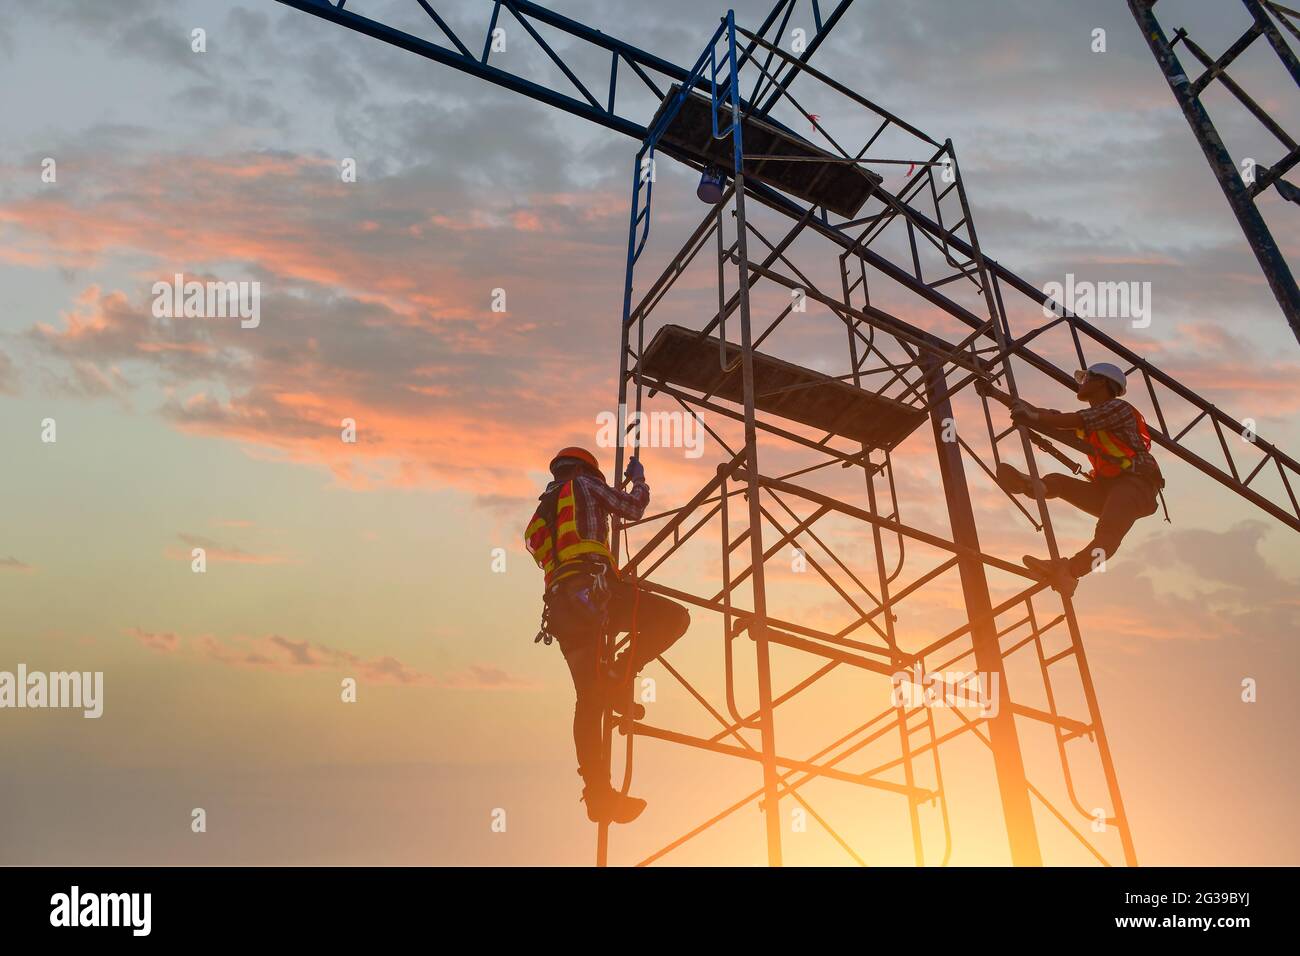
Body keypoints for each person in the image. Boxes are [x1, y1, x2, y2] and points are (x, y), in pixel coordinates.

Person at [524, 447, 690, 824]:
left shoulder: (541, 514)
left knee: (588, 700)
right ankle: (618, 675)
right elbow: (632, 508)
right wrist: (639, 481)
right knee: (674, 619)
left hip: (564, 609)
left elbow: (555, 544)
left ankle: (598, 794)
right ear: (587, 471)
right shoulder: (586, 485)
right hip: (598, 593)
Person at [994, 363, 1164, 597]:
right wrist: (998, 395)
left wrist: (1033, 416)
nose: (1081, 383)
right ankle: (1033, 486)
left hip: (1136, 486)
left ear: (1103, 382)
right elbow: (1051, 418)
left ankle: (1071, 572)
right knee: (1059, 482)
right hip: (1108, 489)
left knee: (1107, 535)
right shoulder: (1089, 421)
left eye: (1087, 378)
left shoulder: (1118, 408)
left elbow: (1066, 420)